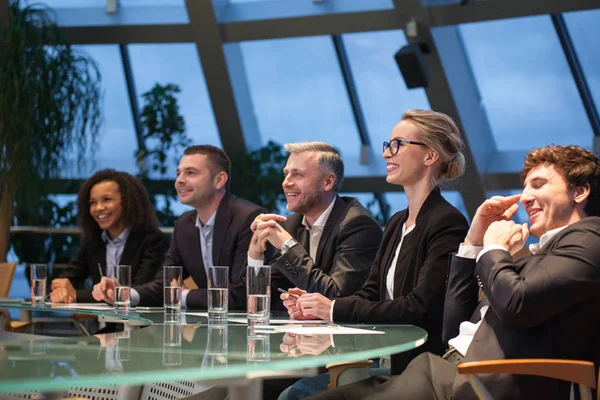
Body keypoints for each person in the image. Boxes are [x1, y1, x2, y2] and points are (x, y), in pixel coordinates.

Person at [307, 144, 600, 400]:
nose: (524, 197)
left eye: (538, 184)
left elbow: (516, 305)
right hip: (446, 370)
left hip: (476, 383)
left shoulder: (589, 239)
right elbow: (454, 328)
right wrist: (474, 241)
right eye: (524, 188)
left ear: (580, 191)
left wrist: (495, 249)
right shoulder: (544, 253)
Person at [279, 109, 470, 399]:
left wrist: (331, 309)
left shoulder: (447, 222)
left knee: (295, 395)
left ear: (430, 156)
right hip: (388, 362)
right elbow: (371, 294)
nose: (386, 155)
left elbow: (418, 308)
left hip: (419, 372)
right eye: (387, 145)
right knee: (294, 392)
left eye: (398, 145)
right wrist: (318, 307)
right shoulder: (397, 222)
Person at [92, 145, 265, 310]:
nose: (179, 181)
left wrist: (182, 296)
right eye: (178, 173)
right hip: (214, 326)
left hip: (255, 329)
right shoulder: (184, 224)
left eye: (191, 173)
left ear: (219, 180)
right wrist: (123, 294)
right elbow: (164, 284)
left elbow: (241, 295)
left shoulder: (248, 218)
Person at [248, 141, 382, 301]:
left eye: (298, 174)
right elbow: (267, 296)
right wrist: (255, 255)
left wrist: (288, 246)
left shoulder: (358, 225)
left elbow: (336, 297)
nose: (286, 183)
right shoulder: (293, 223)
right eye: (286, 174)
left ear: (328, 182)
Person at [49, 169, 169, 303]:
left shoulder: (153, 241)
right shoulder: (93, 242)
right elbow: (66, 280)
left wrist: (76, 295)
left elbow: (135, 293)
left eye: (107, 199)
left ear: (127, 202)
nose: (98, 208)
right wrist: (59, 289)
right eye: (92, 202)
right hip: (106, 323)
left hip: (139, 322)